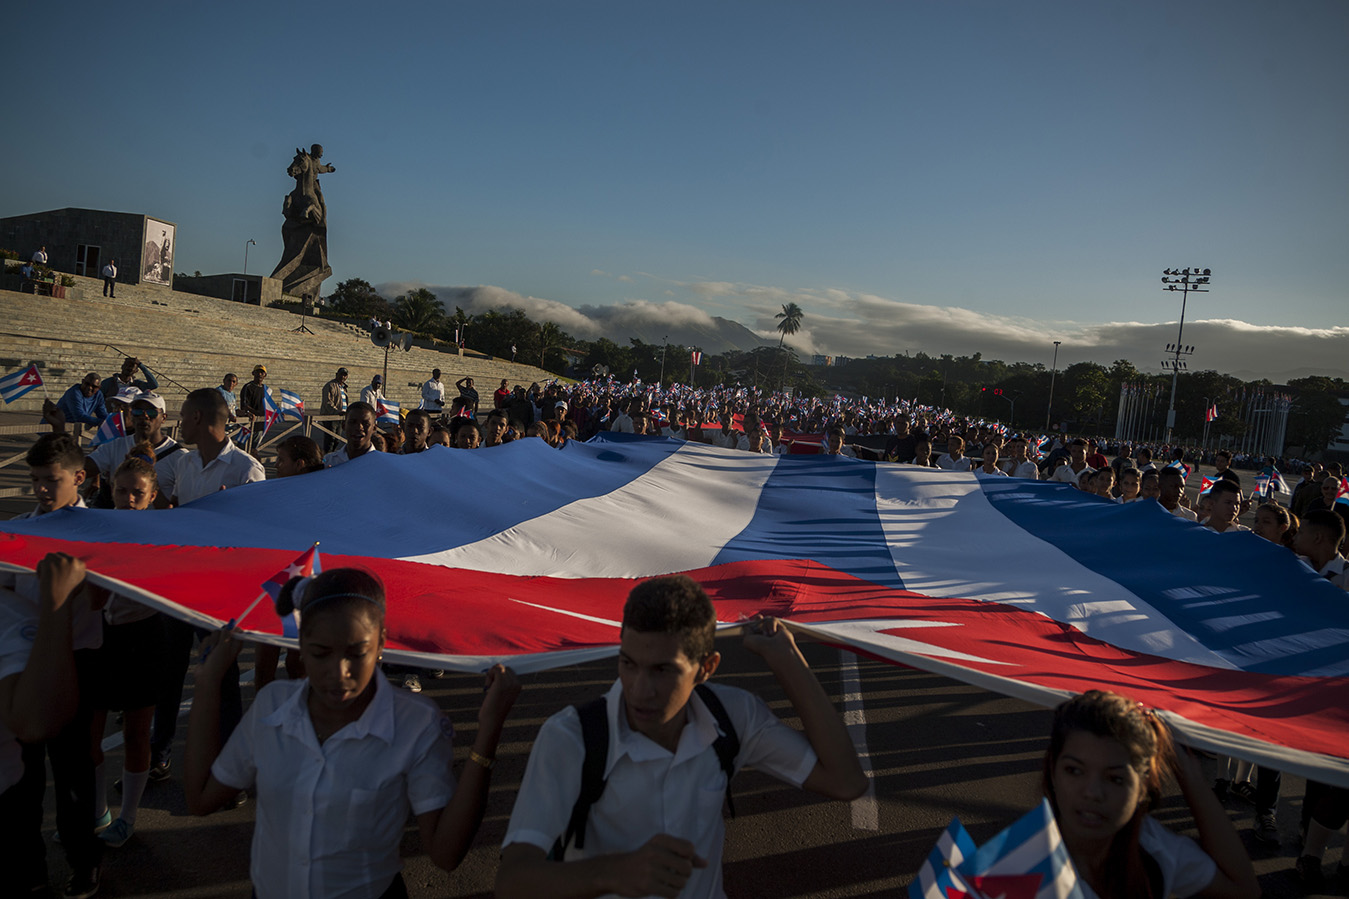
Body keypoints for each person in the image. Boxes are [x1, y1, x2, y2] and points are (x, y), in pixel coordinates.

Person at [497, 575, 866, 899]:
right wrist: (613, 873)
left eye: (662, 671)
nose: (641, 690)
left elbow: (845, 782)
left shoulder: (734, 717)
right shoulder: (570, 737)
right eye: (628, 663)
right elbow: (513, 882)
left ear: (706, 668)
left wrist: (787, 659)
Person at [184, 568, 521, 899]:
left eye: (356, 653)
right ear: (300, 644)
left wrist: (488, 734)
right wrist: (208, 683)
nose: (339, 673)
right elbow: (201, 799)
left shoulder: (416, 724)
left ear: (381, 644)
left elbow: (446, 855)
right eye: (320, 653)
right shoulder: (273, 706)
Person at [1042, 690, 1257, 899]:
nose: (1092, 792)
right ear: (1052, 770)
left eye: (1115, 778)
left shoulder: (1154, 849)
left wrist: (1189, 773)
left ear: (1143, 784)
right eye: (1074, 770)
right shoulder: (1018, 863)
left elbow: (1242, 888)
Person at [1, 551, 104, 898]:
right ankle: (30, 868)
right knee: (23, 779)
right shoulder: (20, 532)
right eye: (38, 488)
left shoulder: (95, 536)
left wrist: (57, 602)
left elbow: (101, 600)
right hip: (23, 661)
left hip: (74, 658)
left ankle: (83, 860)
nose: (43, 490)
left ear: (78, 489)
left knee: (74, 767)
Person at [88, 446, 167, 850]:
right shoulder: (96, 528)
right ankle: (98, 809)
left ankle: (129, 817)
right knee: (90, 734)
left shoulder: (163, 537)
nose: (129, 500)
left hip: (144, 638)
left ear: (153, 495)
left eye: (137, 493)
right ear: (111, 491)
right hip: (100, 637)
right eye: (122, 492)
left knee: (137, 733)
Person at [82, 392, 185, 509]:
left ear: (163, 418)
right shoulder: (115, 446)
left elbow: (179, 511)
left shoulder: (180, 457)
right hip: (121, 522)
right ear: (131, 415)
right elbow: (79, 470)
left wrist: (147, 476)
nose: (144, 416)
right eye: (137, 411)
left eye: (152, 412)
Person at [320, 368, 349, 452]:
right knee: (330, 440)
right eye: (341, 374)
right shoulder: (330, 385)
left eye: (345, 375)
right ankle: (326, 458)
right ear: (336, 374)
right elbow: (328, 402)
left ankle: (332, 456)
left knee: (337, 439)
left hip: (340, 417)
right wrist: (337, 411)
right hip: (331, 417)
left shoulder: (344, 387)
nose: (343, 377)